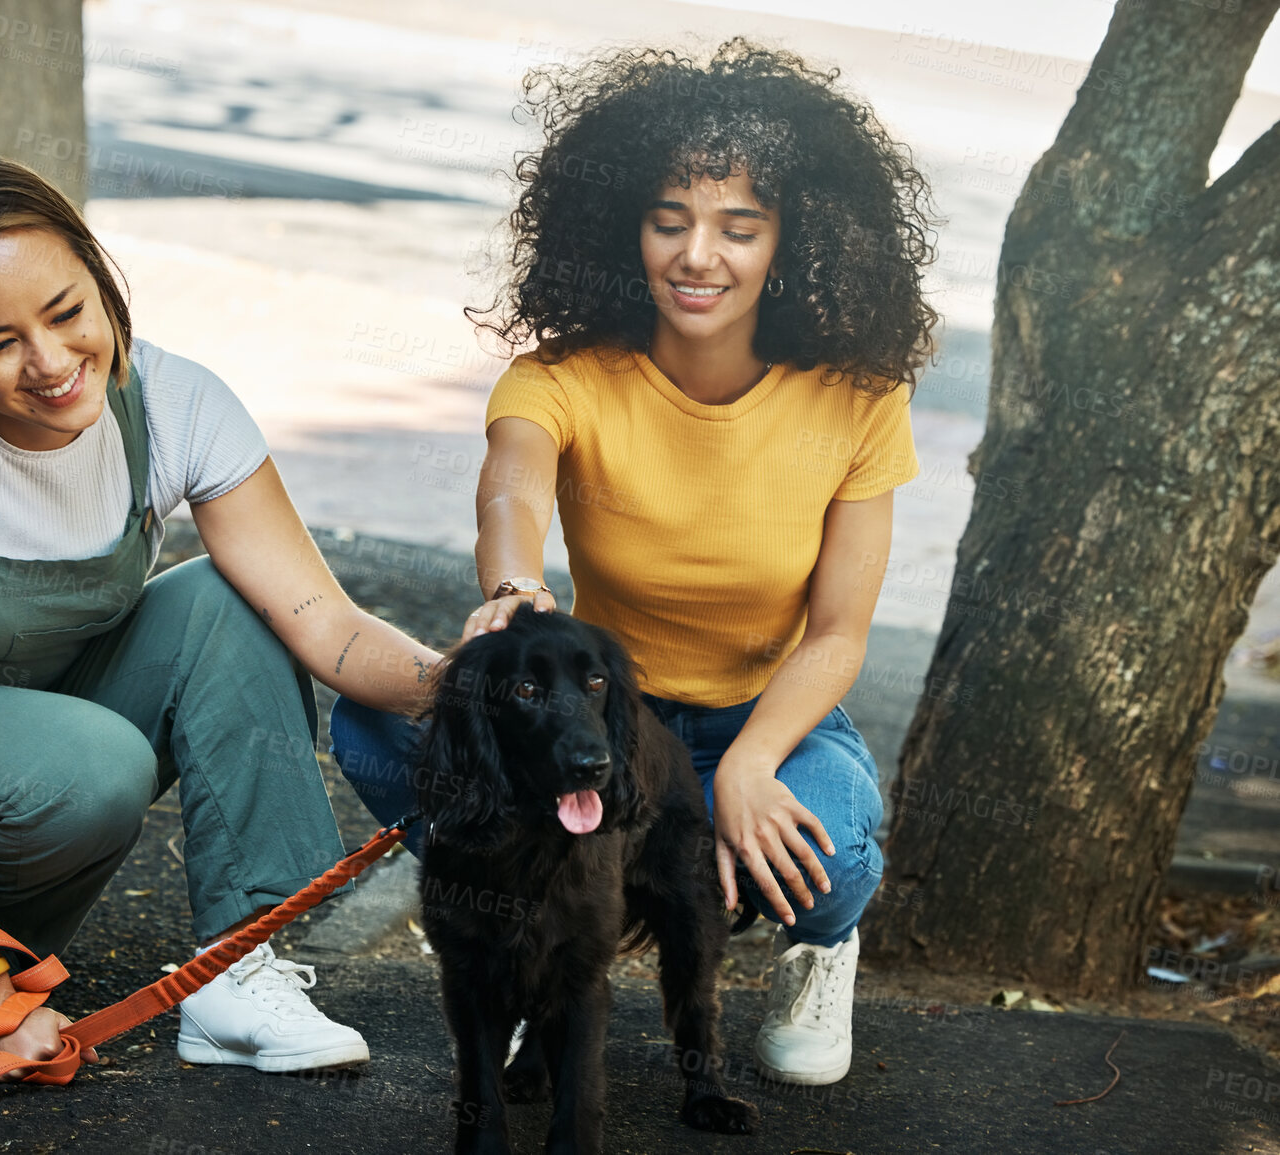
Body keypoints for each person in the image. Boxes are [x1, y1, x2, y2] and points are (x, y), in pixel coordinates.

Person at [0, 156, 441, 1076]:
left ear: (100, 274)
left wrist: (466, 683)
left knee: (229, 601)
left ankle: (233, 972)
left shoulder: (179, 401)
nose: (50, 362)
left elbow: (325, 623)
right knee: (90, 766)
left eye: (67, 312)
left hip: (36, 706)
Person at [331, 40, 934, 1087]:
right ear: (625, 228)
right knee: (376, 725)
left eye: (738, 227)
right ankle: (539, 936)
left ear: (793, 239)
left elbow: (838, 635)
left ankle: (820, 952)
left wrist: (749, 766)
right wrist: (515, 587)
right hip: (603, 727)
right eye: (671, 221)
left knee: (823, 847)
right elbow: (512, 486)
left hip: (769, 718)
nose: (699, 255)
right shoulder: (563, 377)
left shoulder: (859, 395)